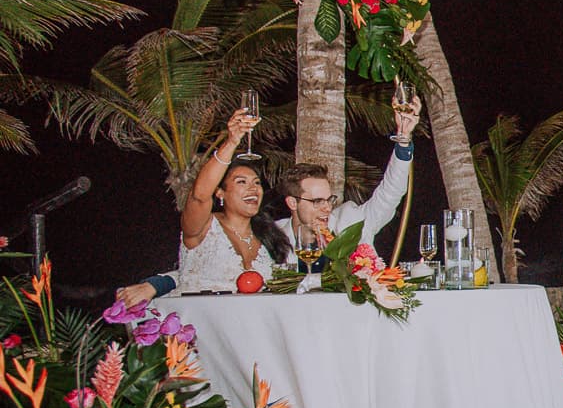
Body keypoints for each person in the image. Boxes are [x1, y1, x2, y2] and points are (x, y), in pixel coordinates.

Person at [117, 92, 422, 305]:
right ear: (292, 203)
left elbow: (391, 191)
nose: (326, 207)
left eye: (328, 199)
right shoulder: (275, 238)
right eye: (316, 201)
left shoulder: (352, 220)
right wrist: (157, 283)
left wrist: (404, 141)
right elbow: (210, 271)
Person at [172, 109, 287, 292]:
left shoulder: (268, 235)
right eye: (241, 182)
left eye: (257, 182)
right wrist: (232, 142)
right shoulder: (204, 227)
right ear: (220, 193)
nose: (253, 188)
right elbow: (199, 196)